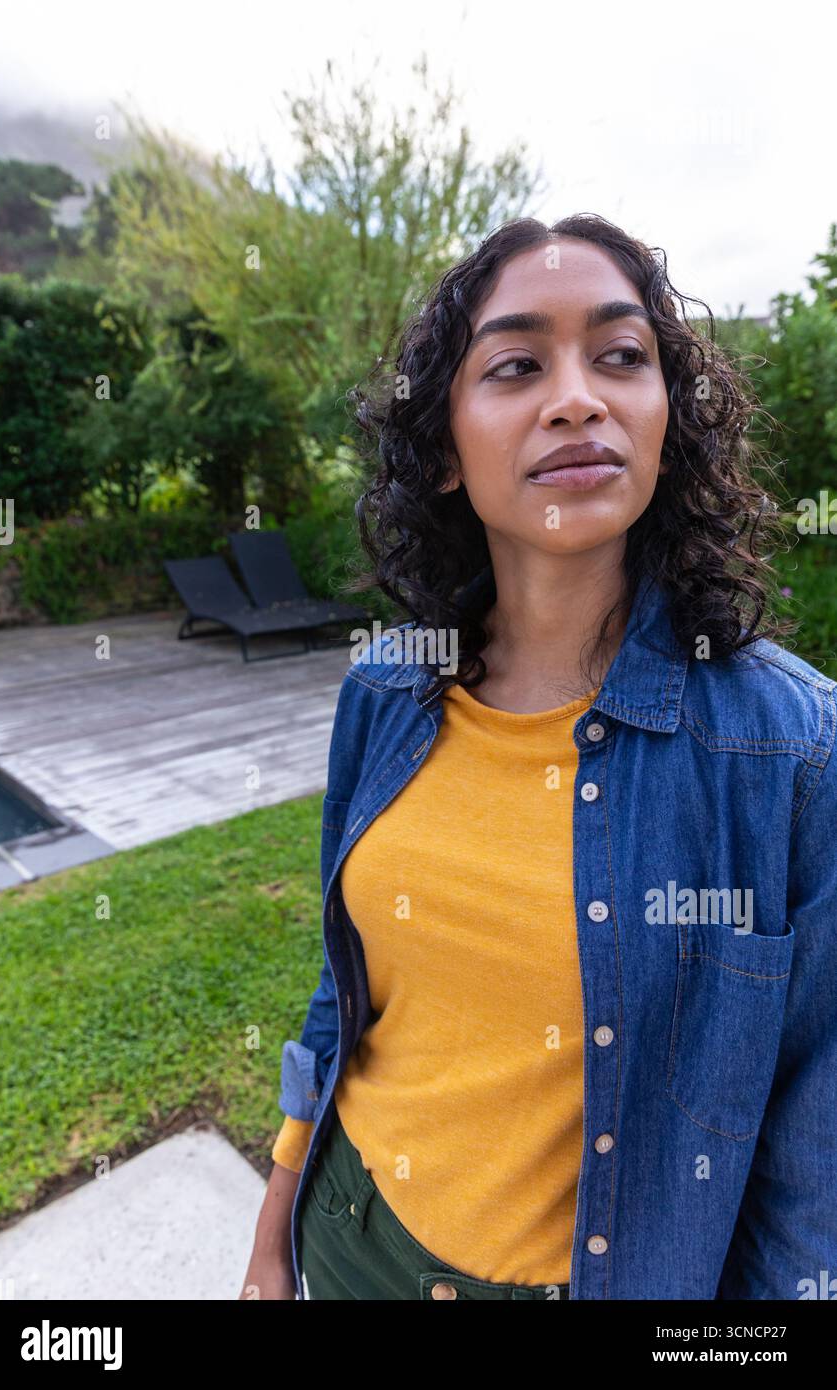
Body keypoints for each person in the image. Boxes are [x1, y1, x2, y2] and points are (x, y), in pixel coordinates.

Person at [240, 214, 837, 1301]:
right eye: (516, 365)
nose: (577, 397)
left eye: (620, 356)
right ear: (441, 457)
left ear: (669, 421)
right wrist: (274, 1223)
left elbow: (814, 1180)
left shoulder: (792, 753)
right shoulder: (384, 690)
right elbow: (343, 992)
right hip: (349, 1231)